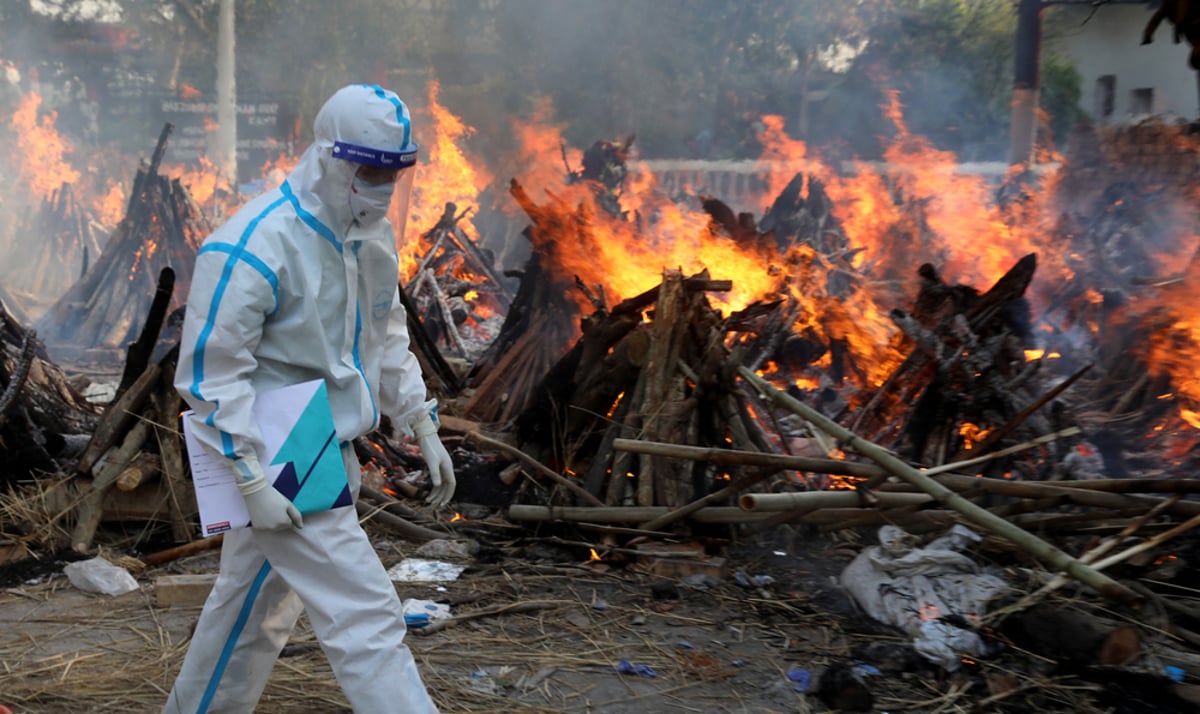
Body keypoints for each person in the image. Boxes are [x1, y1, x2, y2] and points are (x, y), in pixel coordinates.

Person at [163, 83, 454, 713]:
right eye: (370, 170)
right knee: (367, 616)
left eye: (394, 173)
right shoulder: (252, 245)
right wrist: (248, 478)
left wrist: (419, 420)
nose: (382, 186)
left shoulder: (369, 237)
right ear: (329, 156)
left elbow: (385, 335)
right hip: (284, 450)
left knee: (247, 612)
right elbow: (213, 377)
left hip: (327, 446)